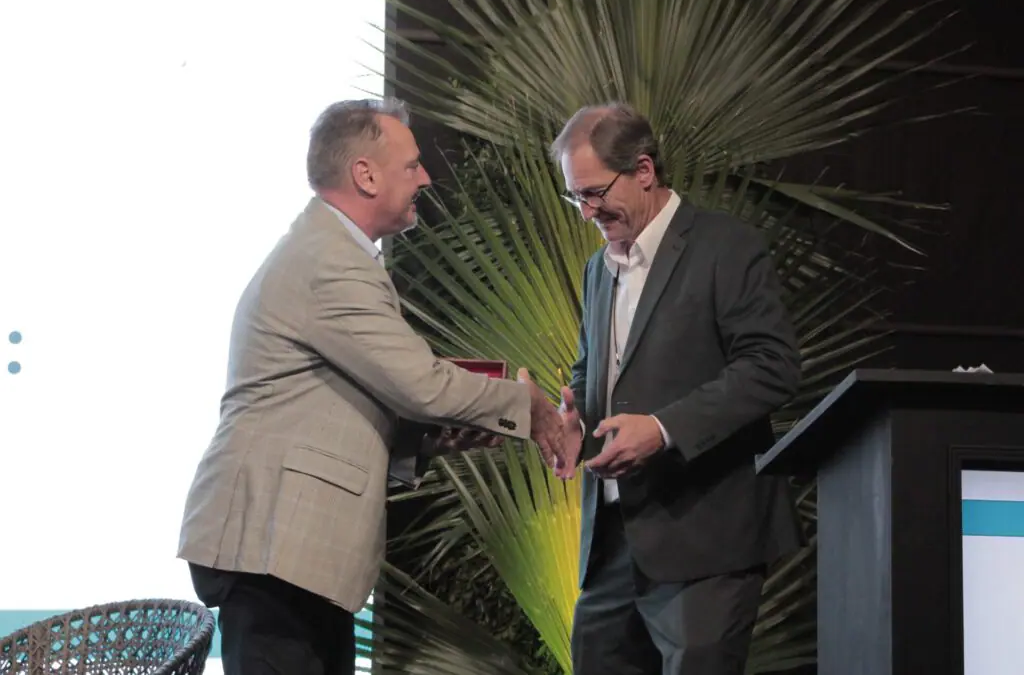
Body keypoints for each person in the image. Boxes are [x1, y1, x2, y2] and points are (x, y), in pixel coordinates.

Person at [176, 98, 565, 675]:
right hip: (275, 547)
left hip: (291, 552)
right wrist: (529, 407)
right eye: (412, 165)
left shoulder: (330, 250)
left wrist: (424, 439)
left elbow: (334, 402)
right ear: (365, 175)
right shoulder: (330, 260)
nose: (425, 178)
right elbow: (421, 384)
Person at [551, 103, 804, 675]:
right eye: (575, 198)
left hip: (706, 539)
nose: (586, 213)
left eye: (594, 193)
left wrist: (663, 429)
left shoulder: (726, 246)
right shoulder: (597, 268)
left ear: (644, 170)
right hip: (613, 544)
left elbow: (773, 365)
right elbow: (593, 370)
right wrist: (575, 422)